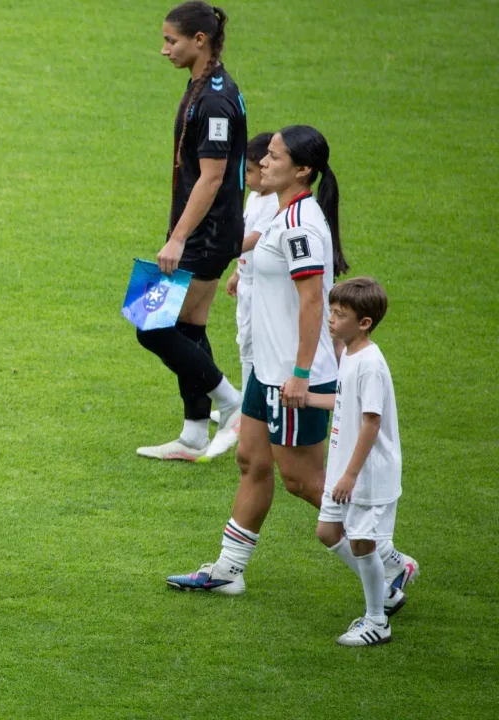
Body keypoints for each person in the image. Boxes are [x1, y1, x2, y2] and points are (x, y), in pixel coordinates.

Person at [165, 125, 416, 597]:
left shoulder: (300, 223)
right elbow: (260, 257)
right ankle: (229, 569)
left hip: (293, 376)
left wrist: (301, 374)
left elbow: (312, 303)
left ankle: (388, 562)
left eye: (275, 156)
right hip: (269, 371)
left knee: (302, 481)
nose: (264, 163)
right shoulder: (285, 213)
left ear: (302, 170)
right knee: (250, 460)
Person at [136, 1, 246, 462]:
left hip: (207, 232)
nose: (164, 50)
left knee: (151, 324)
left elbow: (213, 176)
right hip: (203, 228)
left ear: (199, 41)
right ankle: (194, 434)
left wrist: (179, 237)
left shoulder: (216, 99)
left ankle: (232, 401)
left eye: (171, 40)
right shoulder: (204, 85)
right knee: (187, 327)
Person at [309, 278, 411, 646]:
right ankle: (386, 590)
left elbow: (371, 421)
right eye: (331, 312)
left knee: (363, 543)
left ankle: (377, 621)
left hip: (365, 475)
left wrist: (350, 475)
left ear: (364, 322)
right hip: (345, 467)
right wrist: (307, 399)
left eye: (340, 315)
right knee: (328, 532)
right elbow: (344, 404)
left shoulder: (370, 363)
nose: (331, 320)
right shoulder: (349, 354)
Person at [204, 131, 275, 460]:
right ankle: (245, 407)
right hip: (247, 282)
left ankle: (247, 414)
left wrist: (218, 249)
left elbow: (254, 239)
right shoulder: (255, 198)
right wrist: (236, 272)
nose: (244, 178)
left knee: (253, 346)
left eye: (249, 171)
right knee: (245, 343)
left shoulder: (273, 202)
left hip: (261, 287)